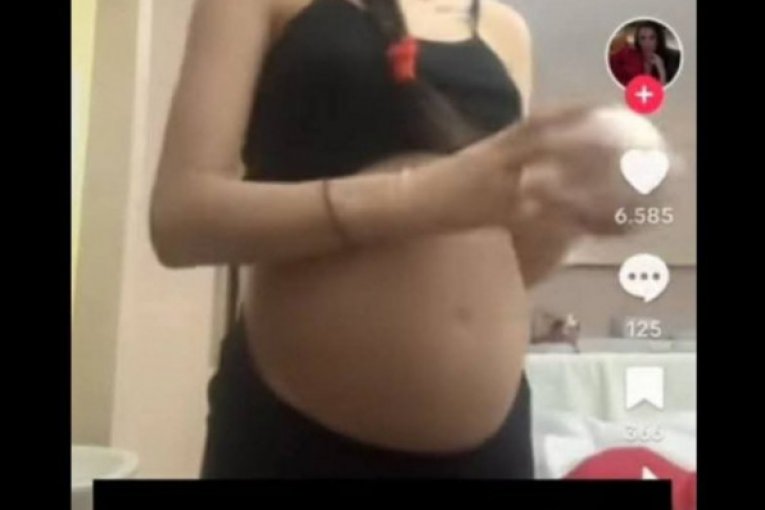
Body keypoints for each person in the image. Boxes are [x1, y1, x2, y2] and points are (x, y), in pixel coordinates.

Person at [150, 0, 660, 478]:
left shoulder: (504, 29)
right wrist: (419, 196)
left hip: (491, 445)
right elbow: (179, 220)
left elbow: (508, 263)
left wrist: (566, 219)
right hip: (295, 432)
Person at [610, 20, 682, 86]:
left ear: (658, 40)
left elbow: (661, 92)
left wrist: (661, 70)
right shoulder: (627, 53)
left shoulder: (668, 63)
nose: (647, 43)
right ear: (638, 41)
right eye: (642, 38)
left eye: (652, 38)